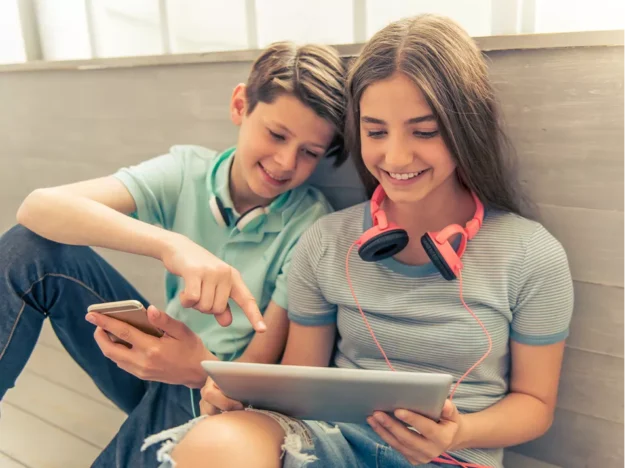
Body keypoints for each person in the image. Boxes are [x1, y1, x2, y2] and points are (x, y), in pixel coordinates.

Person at [167, 14, 574, 468]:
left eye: (424, 131)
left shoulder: (531, 255)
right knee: (216, 440)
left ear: (465, 127)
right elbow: (303, 380)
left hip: (452, 457)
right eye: (376, 132)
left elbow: (535, 405)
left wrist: (459, 432)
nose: (396, 156)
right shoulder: (325, 241)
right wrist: (242, 403)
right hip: (330, 444)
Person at [0, 41, 347, 466]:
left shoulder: (309, 224)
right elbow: (37, 207)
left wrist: (197, 367)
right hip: (150, 356)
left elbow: (257, 370)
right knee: (30, 246)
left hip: (217, 394)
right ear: (241, 105)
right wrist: (172, 245)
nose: (285, 162)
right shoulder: (187, 173)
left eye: (310, 153)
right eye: (277, 135)